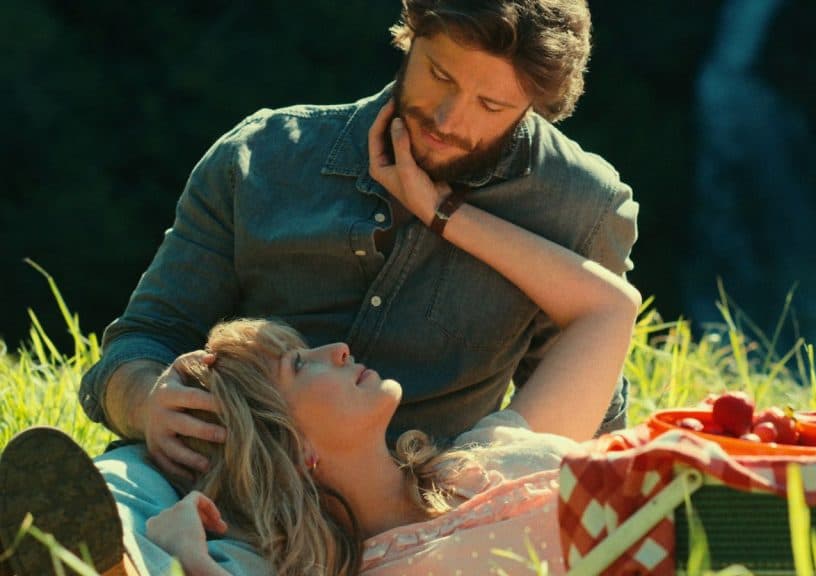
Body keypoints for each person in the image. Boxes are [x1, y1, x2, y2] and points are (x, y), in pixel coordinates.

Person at [0, 101, 639, 574]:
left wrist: (441, 211)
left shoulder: (480, 454)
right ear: (293, 444)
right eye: (302, 366)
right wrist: (187, 546)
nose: (339, 349)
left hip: (712, 492)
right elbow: (142, 338)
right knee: (134, 472)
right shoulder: (373, 567)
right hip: (688, 540)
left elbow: (610, 309)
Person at [79, 0, 637, 483]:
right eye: (439, 75)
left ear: (534, 107)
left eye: (490, 107)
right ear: (411, 36)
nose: (448, 118)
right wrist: (147, 402)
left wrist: (445, 214)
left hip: (414, 518)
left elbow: (576, 414)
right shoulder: (260, 158)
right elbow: (144, 340)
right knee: (117, 492)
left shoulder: (582, 208)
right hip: (215, 478)